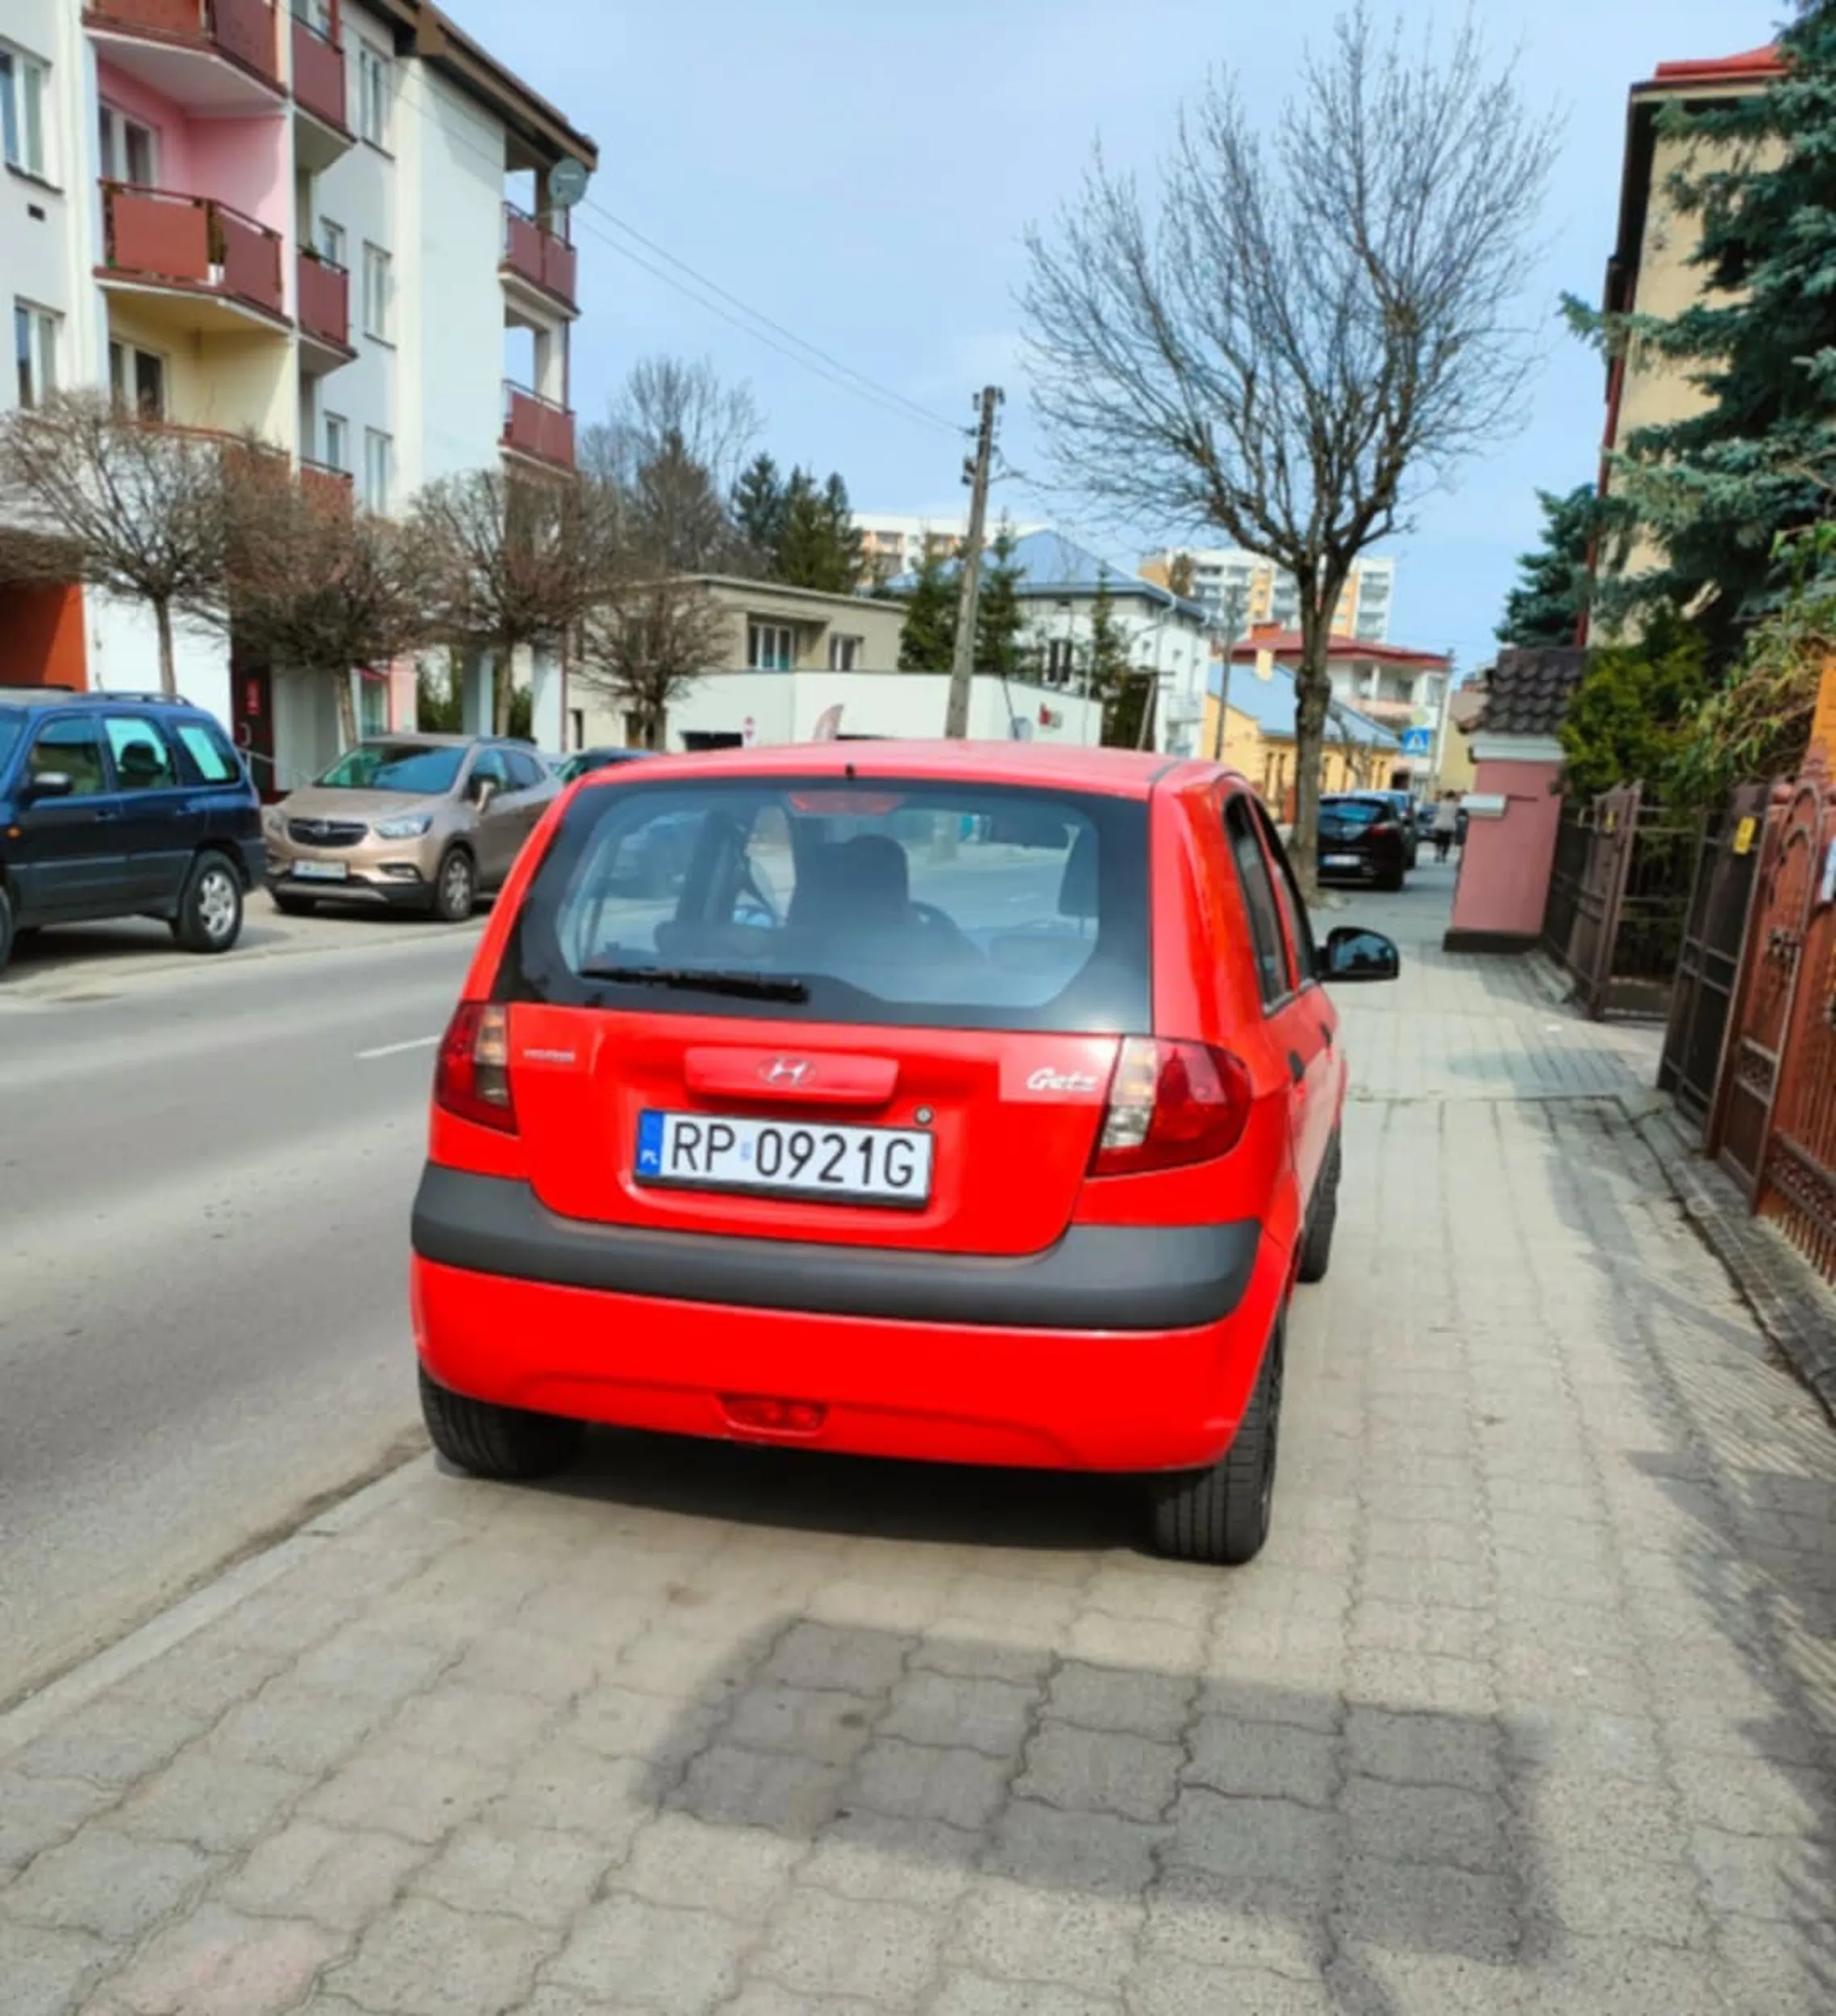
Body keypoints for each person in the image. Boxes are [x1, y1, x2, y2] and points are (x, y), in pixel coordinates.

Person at [1433, 790, 1460, 863]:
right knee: (1447, 842)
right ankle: (1444, 856)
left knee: (1438, 840)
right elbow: (1457, 814)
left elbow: (1437, 811)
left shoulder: (1441, 803)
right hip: (1450, 825)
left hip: (1440, 824)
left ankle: (1437, 854)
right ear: (1453, 797)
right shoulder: (1455, 805)